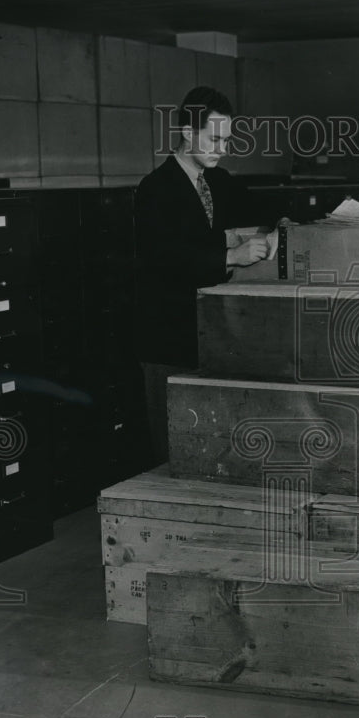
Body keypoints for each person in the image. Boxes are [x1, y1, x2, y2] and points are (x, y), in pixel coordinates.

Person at [133, 85, 269, 463]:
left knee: (212, 447)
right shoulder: (155, 189)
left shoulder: (219, 182)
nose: (222, 148)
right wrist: (230, 255)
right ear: (188, 133)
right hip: (169, 341)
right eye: (215, 138)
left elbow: (263, 209)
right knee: (174, 450)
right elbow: (162, 260)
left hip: (213, 336)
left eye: (227, 139)